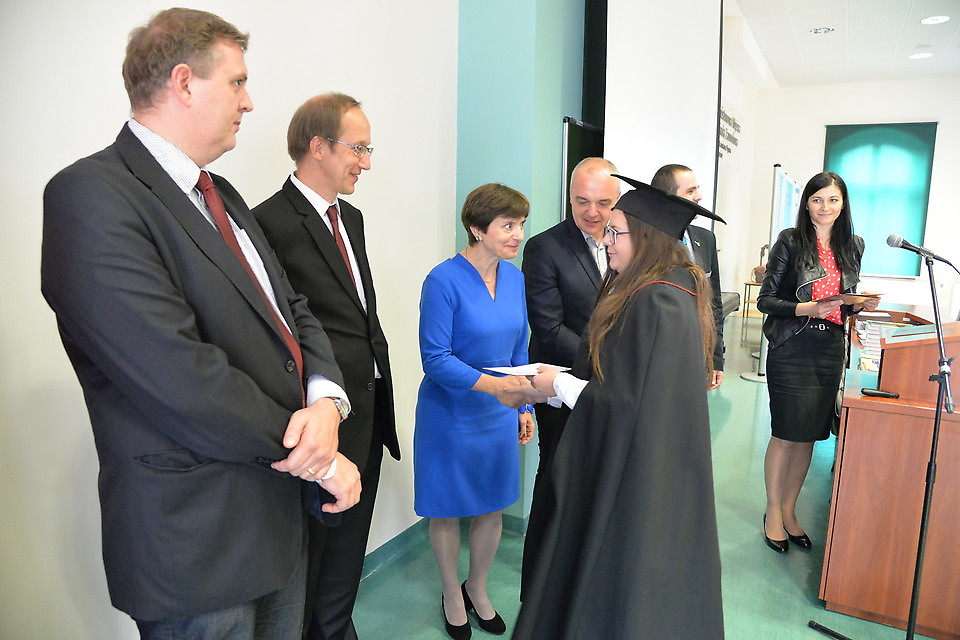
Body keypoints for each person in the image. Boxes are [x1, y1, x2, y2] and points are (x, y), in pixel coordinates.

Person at [40, 8, 360, 638]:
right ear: (184, 82)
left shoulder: (222, 195)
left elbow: (292, 309)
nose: (249, 102)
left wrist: (327, 400)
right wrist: (319, 458)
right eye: (237, 82)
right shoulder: (92, 196)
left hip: (275, 519)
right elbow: (178, 376)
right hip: (197, 542)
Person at [515, 176, 725, 640]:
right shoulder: (669, 289)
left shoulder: (656, 300)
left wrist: (556, 384)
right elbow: (628, 385)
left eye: (615, 231)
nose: (605, 240)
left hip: (635, 473)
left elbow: (627, 404)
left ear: (646, 238)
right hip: (651, 462)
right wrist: (559, 386)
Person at [252, 93, 400, 640]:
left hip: (368, 407)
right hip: (323, 420)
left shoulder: (350, 218)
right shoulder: (268, 222)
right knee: (314, 558)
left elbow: (358, 314)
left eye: (368, 150)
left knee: (347, 554)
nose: (366, 162)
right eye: (358, 148)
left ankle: (337, 628)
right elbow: (280, 332)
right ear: (318, 146)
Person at [414, 184, 540, 640]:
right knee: (447, 509)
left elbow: (519, 347)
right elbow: (435, 359)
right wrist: (498, 388)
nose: (518, 234)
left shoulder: (515, 279)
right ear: (476, 229)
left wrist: (523, 403)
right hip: (450, 414)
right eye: (507, 225)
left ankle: (477, 588)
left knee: (492, 505)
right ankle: (452, 593)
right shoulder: (442, 280)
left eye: (520, 224)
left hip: (500, 412)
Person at [757, 171, 879, 554]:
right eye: (817, 199)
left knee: (809, 434)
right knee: (785, 433)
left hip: (829, 349)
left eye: (833, 200)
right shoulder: (790, 241)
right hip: (792, 345)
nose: (825, 207)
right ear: (807, 203)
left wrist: (858, 305)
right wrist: (806, 308)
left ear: (843, 205)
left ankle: (789, 510)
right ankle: (772, 511)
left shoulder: (853, 245)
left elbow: (844, 299)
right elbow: (766, 300)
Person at [518, 157, 620, 595]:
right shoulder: (545, 247)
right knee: (557, 477)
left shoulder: (627, 244)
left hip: (611, 389)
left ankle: (584, 574)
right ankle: (539, 582)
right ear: (570, 197)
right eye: (582, 201)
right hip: (561, 384)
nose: (592, 212)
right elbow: (548, 327)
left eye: (603, 203)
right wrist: (604, 366)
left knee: (599, 479)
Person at [651, 164, 726, 388]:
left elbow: (714, 304)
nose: (699, 196)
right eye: (691, 191)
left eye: (697, 189)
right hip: (658, 360)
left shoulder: (706, 239)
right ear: (668, 198)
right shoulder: (646, 243)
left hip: (698, 358)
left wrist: (716, 358)